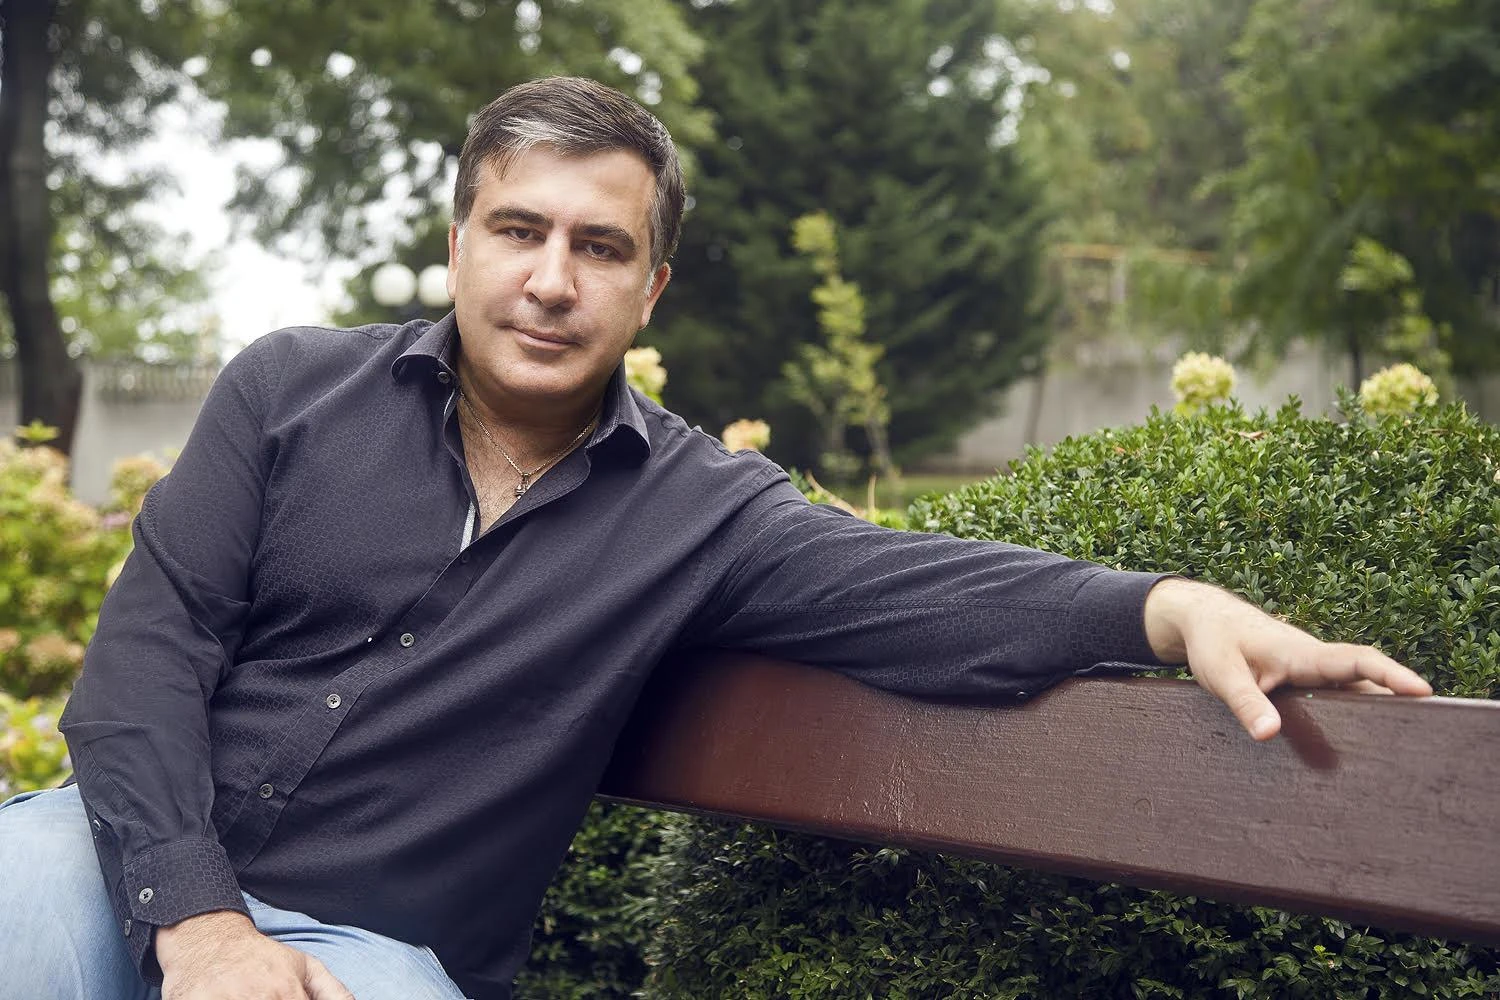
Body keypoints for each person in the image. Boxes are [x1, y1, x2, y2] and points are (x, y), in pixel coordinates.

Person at [0, 77, 1430, 1000]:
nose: (551, 279)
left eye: (600, 248)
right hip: (122, 854)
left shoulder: (703, 513)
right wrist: (201, 925)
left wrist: (1173, 607)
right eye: (519, 230)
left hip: (367, 951)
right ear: (458, 246)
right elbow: (141, 667)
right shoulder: (287, 392)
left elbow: (924, 592)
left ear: (651, 289)